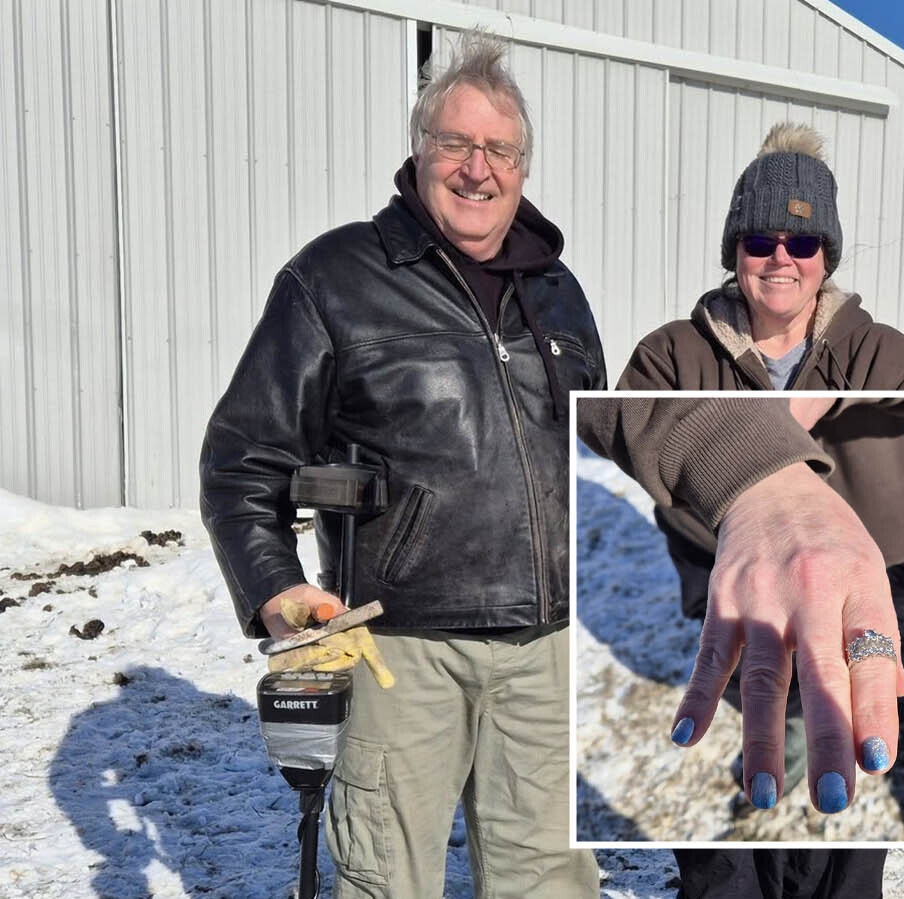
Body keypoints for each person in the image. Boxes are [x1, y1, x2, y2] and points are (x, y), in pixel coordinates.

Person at [200, 32, 603, 897]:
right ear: (419, 152)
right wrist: (275, 586)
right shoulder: (337, 277)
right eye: (454, 143)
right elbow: (243, 458)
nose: (476, 168)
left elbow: (589, 448)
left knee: (551, 880)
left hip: (546, 649)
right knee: (387, 876)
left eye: (498, 148)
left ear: (522, 167)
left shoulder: (557, 290)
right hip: (398, 646)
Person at [615, 122, 904, 893]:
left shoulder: (879, 344)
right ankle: (789, 718)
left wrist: (840, 396)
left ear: (827, 258)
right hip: (733, 532)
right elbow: (625, 417)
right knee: (756, 635)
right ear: (734, 251)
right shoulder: (673, 352)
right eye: (761, 241)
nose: (782, 258)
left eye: (805, 242)